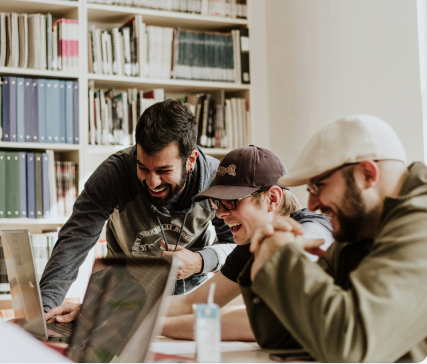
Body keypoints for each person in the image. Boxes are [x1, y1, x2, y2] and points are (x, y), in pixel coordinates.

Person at [241, 115, 427, 362]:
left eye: (318, 186)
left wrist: (281, 257)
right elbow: (283, 337)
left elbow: (350, 346)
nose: (311, 204)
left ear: (367, 174)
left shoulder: (420, 223)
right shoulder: (359, 230)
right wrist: (266, 256)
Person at [40, 99, 235, 315]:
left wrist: (200, 261)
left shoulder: (216, 180)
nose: (152, 182)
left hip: (190, 301)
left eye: (163, 171)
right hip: (125, 297)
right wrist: (44, 312)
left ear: (190, 160)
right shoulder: (114, 174)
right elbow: (74, 242)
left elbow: (236, 246)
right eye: (143, 168)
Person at [160, 145, 333, 341]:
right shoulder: (251, 246)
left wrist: (155, 327)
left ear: (272, 198)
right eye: (217, 203)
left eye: (231, 202)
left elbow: (267, 319)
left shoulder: (313, 232)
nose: (219, 214)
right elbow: (193, 303)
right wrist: (131, 311)